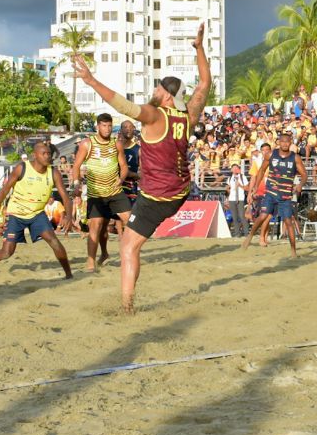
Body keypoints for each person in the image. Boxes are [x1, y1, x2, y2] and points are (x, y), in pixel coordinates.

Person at [73, 22, 211, 312]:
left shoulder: (155, 115)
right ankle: (125, 300)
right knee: (129, 240)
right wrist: (199, 48)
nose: (154, 90)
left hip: (157, 196)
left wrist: (91, 81)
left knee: (128, 247)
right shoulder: (188, 116)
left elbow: (123, 106)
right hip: (180, 191)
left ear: (167, 95)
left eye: (158, 87)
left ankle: (127, 306)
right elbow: (204, 83)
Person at [0, 140, 74, 279]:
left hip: (37, 214)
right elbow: (4, 191)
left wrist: (69, 217)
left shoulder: (53, 173)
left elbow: (65, 196)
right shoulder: (22, 168)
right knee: (7, 252)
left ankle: (69, 274)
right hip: (16, 214)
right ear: (34, 155)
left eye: (49, 153)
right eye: (43, 153)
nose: (47, 156)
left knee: (54, 241)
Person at [72, 112, 131, 272]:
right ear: (98, 126)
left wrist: (121, 179)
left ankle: (130, 254)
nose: (107, 128)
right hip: (96, 194)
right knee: (97, 227)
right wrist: (76, 184)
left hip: (115, 191)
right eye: (104, 125)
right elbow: (76, 166)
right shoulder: (87, 144)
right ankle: (92, 261)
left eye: (110, 125)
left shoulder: (116, 144)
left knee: (130, 221)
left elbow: (124, 166)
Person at [245, 131, 308, 256]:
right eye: (282, 141)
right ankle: (250, 237)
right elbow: (261, 170)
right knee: (263, 216)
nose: (285, 144)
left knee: (288, 222)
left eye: (287, 142)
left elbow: (304, 174)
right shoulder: (271, 154)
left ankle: (293, 251)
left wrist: (300, 184)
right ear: (279, 142)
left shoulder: (295, 157)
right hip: (271, 192)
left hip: (285, 195)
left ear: (290, 143)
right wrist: (256, 186)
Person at [226, 163, 250, 237]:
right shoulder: (230, 178)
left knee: (242, 216)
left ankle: (246, 233)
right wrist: (228, 191)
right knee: (234, 217)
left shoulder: (243, 177)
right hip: (232, 199)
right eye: (233, 168)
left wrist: (240, 185)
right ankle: (237, 233)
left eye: (236, 168)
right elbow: (228, 189)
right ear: (231, 170)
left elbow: (247, 188)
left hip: (240, 199)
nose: (235, 170)